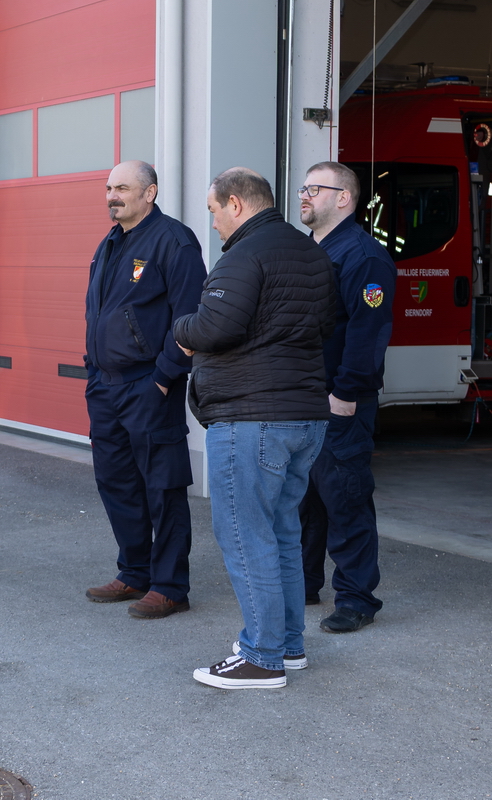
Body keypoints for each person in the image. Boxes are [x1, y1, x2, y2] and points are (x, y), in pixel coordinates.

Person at [174, 167, 335, 689]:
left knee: (246, 535)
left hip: (251, 418)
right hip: (304, 416)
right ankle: (287, 645)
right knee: (281, 531)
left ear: (236, 204)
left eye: (214, 210)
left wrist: (180, 328)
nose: (214, 222)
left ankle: (262, 657)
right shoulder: (311, 252)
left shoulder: (244, 255)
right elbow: (327, 324)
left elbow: (215, 326)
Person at [83, 161, 206, 619]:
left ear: (149, 193)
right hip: (106, 386)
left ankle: (170, 586)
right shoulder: (111, 242)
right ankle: (134, 572)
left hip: (149, 386)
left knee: (162, 486)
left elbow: (191, 318)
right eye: (108, 188)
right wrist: (92, 369)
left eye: (122, 188)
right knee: (116, 481)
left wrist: (163, 377)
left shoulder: (174, 241)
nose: (111, 196)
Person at [297, 162, 395, 633]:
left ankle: (356, 598)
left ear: (344, 198)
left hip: (339, 399)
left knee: (345, 496)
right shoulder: (308, 250)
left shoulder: (363, 256)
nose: (304, 195)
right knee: (304, 497)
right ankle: (304, 582)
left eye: (315, 188)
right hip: (302, 398)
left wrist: (346, 392)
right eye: (303, 187)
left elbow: (367, 331)